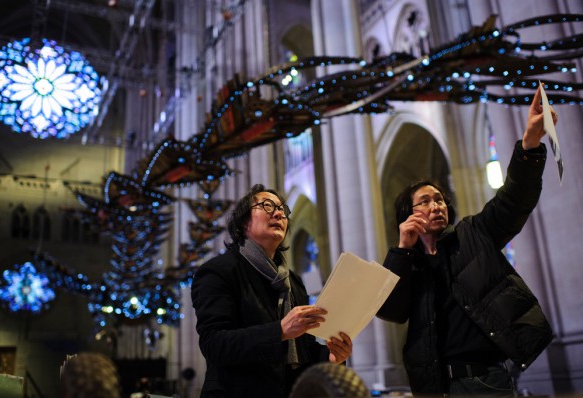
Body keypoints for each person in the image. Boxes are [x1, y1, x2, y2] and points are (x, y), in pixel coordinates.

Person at [377, 85, 555, 397]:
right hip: (436, 386)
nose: (437, 205)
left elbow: (513, 202)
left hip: (486, 380)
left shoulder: (472, 234)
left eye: (440, 199)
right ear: (408, 214)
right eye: (426, 201)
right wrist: (402, 250)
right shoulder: (407, 264)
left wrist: (529, 146)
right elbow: (391, 311)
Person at [191, 184, 352, 398]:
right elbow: (214, 344)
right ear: (243, 222)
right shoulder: (218, 271)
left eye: (282, 210)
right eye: (267, 206)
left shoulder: (292, 281)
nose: (278, 213)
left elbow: (303, 348)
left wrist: (330, 356)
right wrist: (280, 330)